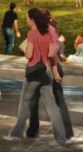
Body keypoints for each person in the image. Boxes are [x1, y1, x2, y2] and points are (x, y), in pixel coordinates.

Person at [5, 8, 67, 145]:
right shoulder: (47, 34)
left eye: (27, 18)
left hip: (34, 73)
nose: (26, 20)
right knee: (51, 106)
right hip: (47, 72)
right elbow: (51, 54)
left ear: (32, 20)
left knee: (24, 102)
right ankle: (61, 137)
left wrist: (27, 50)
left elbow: (29, 55)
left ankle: (16, 133)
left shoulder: (32, 34)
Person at [26, 9, 74, 141]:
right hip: (52, 67)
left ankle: (33, 130)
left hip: (46, 68)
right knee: (57, 100)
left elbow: (51, 54)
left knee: (37, 101)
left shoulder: (45, 31)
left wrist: (54, 71)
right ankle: (66, 131)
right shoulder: (51, 29)